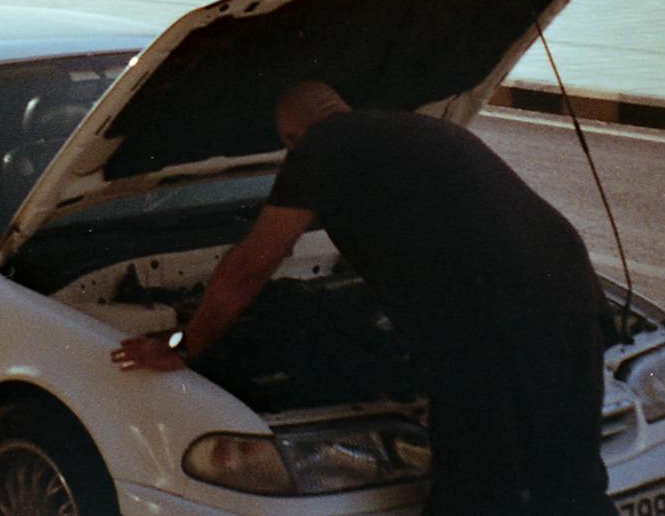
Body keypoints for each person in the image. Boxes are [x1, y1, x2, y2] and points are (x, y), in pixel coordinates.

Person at [112, 81, 615, 516]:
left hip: (497, 332)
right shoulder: (425, 131)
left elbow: (254, 261)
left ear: (291, 138)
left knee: (476, 494)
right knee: (571, 483)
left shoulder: (322, 146)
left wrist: (186, 344)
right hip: (575, 300)